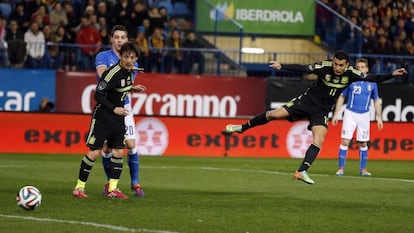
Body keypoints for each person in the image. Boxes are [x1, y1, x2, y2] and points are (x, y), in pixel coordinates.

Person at [225, 50, 407, 185]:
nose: (336, 67)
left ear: (346, 65)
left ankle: (301, 171)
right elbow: (303, 68)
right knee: (274, 114)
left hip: (321, 111)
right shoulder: (324, 67)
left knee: (319, 139)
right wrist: (283, 66)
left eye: (340, 65)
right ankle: (242, 127)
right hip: (306, 102)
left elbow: (373, 78)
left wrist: (391, 74)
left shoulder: (353, 73)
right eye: (335, 63)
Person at [72, 42, 146, 199]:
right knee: (95, 152)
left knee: (119, 151)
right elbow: (98, 95)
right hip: (104, 116)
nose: (128, 60)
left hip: (119, 117)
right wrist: (114, 108)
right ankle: (79, 187)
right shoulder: (112, 73)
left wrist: (133, 88)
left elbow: (118, 88)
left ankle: (112, 189)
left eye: (132, 57)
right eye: (126, 56)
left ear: (136, 58)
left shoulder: (129, 72)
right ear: (120, 56)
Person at [95, 25, 145, 197]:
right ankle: (110, 184)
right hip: (107, 107)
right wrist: (121, 68)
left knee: (131, 144)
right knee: (107, 148)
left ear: (126, 40)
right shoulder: (102, 56)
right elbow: (104, 77)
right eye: (116, 37)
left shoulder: (133, 62)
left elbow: (124, 87)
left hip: (124, 106)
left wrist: (130, 81)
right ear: (111, 39)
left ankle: (135, 183)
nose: (119, 40)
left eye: (122, 37)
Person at [332, 58, 383, 177]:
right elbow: (341, 97)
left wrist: (379, 117)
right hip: (350, 113)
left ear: (367, 69)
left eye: (362, 67)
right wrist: (336, 114)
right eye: (358, 67)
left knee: (363, 143)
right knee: (345, 141)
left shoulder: (372, 83)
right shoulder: (350, 80)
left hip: (365, 115)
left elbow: (376, 100)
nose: (360, 69)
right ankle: (341, 168)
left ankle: (363, 170)